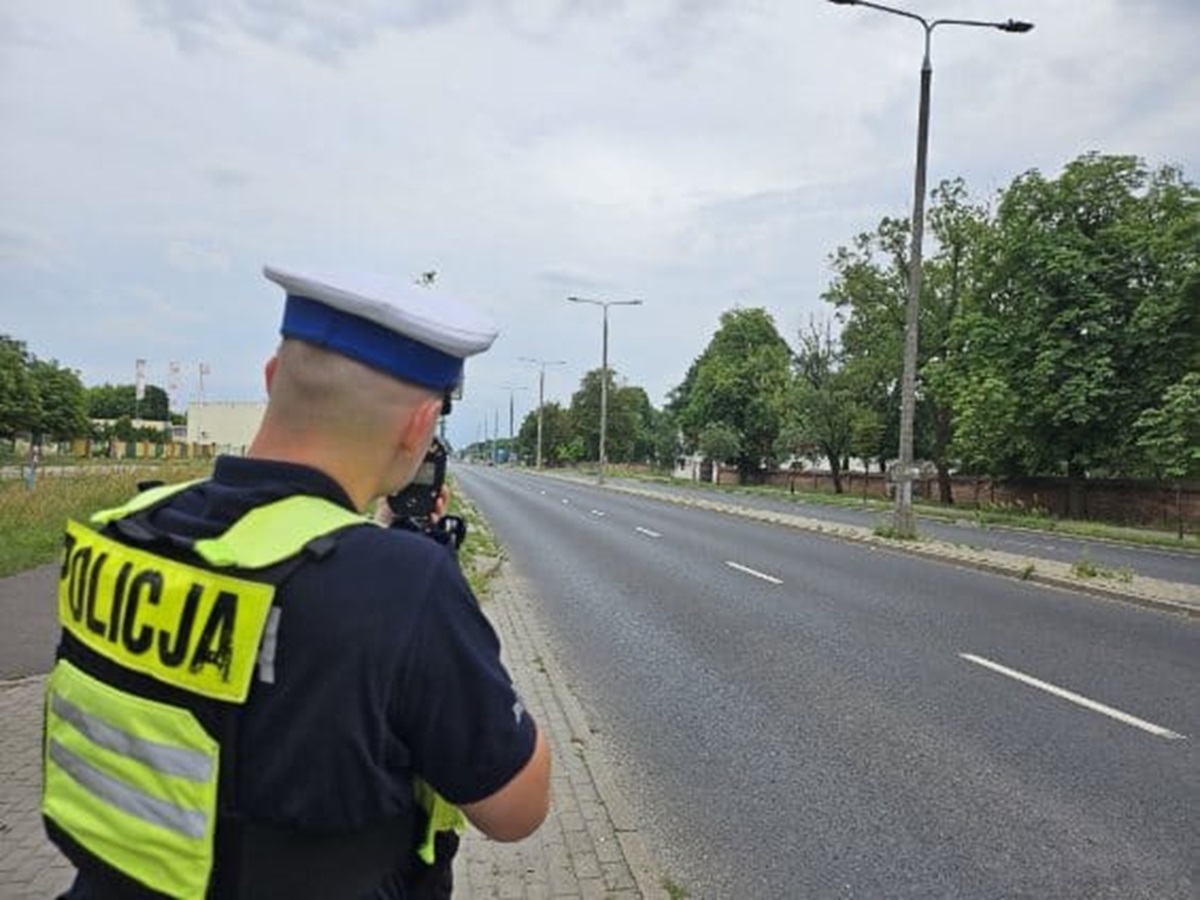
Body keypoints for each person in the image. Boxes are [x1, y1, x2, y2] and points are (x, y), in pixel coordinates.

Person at [44, 265, 551, 899]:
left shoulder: (122, 531)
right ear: (420, 427)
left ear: (270, 378)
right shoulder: (402, 585)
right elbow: (516, 810)